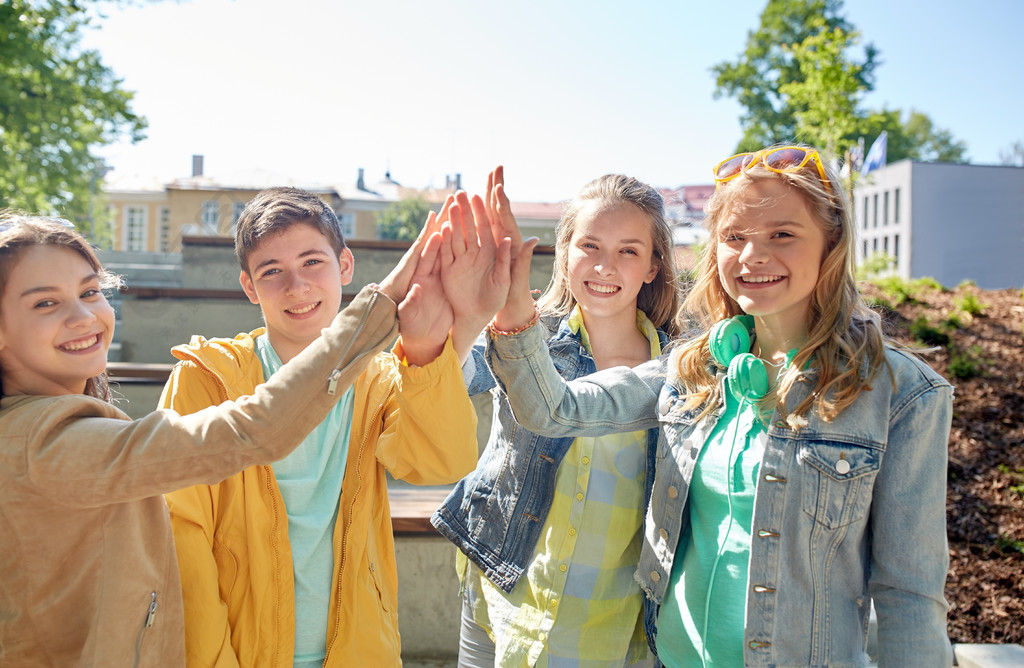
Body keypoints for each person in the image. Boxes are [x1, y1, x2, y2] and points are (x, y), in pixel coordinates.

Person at [475, 146, 954, 667]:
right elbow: (554, 411)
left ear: (831, 244)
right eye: (734, 237)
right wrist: (513, 301)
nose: (752, 257)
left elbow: (910, 598)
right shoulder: (693, 370)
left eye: (782, 235)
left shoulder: (901, 394)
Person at [0, 211, 449, 665]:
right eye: (44, 303)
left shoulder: (59, 425)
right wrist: (384, 304)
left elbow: (438, 459)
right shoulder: (38, 442)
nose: (83, 316)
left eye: (90, 291)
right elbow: (255, 430)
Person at [160, 186, 506, 667]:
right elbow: (182, 536)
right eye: (272, 271)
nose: (296, 287)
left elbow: (439, 462)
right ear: (248, 286)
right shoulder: (207, 377)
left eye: (312, 263)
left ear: (345, 266)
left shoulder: (377, 377)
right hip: (240, 652)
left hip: (358, 651)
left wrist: (432, 348)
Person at [432, 170, 684, 667]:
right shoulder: (527, 333)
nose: (604, 266)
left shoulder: (681, 366)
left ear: (653, 267)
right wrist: (464, 313)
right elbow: (450, 378)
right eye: (589, 246)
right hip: (503, 585)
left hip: (616, 616)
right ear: (565, 252)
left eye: (628, 251)